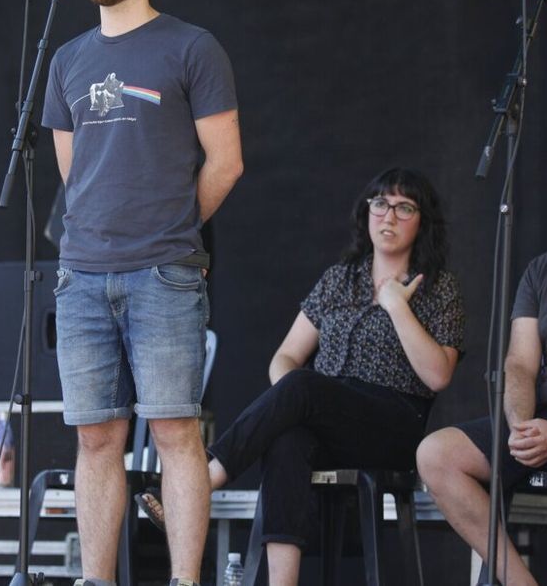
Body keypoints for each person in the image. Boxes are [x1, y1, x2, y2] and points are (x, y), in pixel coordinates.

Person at [39, 0, 244, 584]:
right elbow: (75, 174)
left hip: (166, 271)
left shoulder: (191, 47)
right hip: (82, 275)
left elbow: (226, 161)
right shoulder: (68, 59)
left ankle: (185, 580)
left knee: (175, 430)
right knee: (95, 437)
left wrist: (170, 226)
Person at [144, 167, 464, 586]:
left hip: (394, 421)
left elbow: (439, 376)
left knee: (302, 387)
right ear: (366, 213)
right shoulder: (339, 280)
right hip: (327, 410)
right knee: (286, 436)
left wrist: (397, 306)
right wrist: (288, 404)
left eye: (405, 208)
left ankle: (203, 481)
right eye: (381, 204)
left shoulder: (438, 288)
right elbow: (286, 356)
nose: (389, 216)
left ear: (422, 221)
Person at [417, 155, 547, 585]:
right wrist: (520, 425)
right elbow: (520, 362)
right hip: (542, 415)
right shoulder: (542, 271)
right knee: (435, 454)